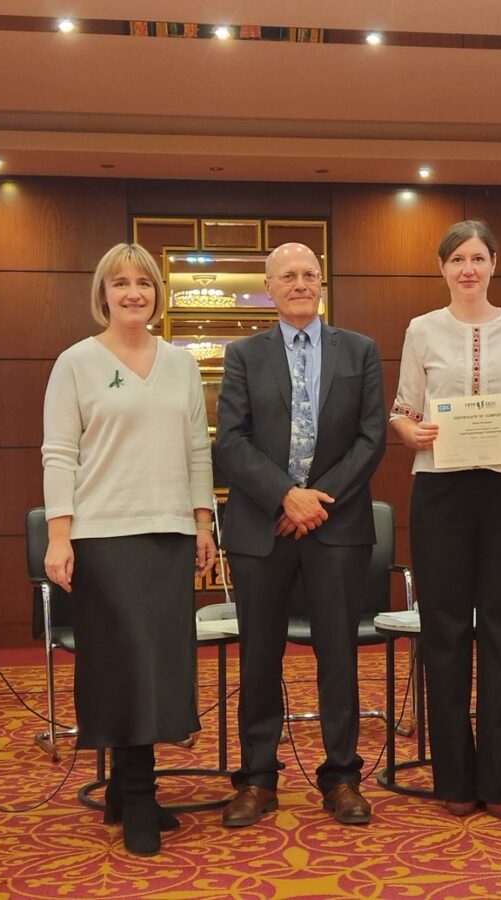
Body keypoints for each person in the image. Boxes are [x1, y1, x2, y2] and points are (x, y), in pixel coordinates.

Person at [42, 242, 217, 856]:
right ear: (104, 294)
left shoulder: (182, 364)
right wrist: (58, 535)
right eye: (121, 283)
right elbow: (60, 452)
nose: (133, 293)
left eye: (144, 283)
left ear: (157, 294)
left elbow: (199, 449)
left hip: (168, 532)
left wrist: (203, 524)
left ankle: (122, 790)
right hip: (103, 535)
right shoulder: (76, 363)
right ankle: (140, 798)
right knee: (122, 664)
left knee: (161, 664)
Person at [214, 242, 386, 827]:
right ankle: (257, 780)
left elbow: (371, 441)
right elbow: (230, 441)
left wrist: (314, 502)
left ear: (322, 283)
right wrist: (284, 495)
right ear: (268, 286)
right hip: (261, 528)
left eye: (310, 274)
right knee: (259, 657)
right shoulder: (243, 354)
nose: (300, 283)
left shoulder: (359, 351)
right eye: (287, 275)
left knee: (337, 655)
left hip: (336, 528)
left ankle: (341, 778)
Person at [390, 220, 501, 820]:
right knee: (447, 631)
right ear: (442, 268)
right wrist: (415, 431)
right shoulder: (421, 330)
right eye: (457, 258)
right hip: (441, 490)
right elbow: (402, 411)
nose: (468, 268)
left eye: (478, 257)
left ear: (493, 264)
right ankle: (455, 778)